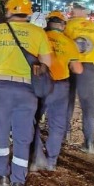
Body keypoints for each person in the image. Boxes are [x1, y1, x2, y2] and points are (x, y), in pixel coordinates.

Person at [0, 0, 52, 186]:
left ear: (10, 11)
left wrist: (2, 63)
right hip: (27, 91)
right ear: (28, 13)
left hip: (1, 88)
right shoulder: (38, 33)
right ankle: (17, 184)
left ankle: (2, 176)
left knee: (0, 134)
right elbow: (47, 64)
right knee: (22, 138)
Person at [30, 11, 82, 171]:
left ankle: (37, 157)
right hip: (60, 87)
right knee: (57, 124)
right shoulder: (69, 42)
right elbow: (78, 69)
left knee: (32, 120)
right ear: (62, 25)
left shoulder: (38, 37)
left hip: (40, 84)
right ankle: (51, 161)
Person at [64, 15, 94, 154]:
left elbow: (62, 43)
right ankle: (89, 142)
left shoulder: (70, 26)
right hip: (88, 68)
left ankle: (63, 135)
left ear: (73, 11)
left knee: (67, 100)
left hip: (70, 64)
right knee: (88, 104)